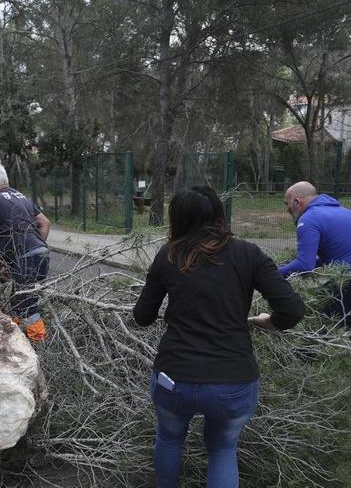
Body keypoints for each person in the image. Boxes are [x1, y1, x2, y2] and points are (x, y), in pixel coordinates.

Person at [134, 186, 304, 488]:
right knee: (222, 449)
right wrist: (270, 321)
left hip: (175, 378)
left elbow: (142, 316)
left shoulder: (168, 255)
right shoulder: (248, 254)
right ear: (218, 215)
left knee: (170, 439)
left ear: (178, 219)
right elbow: (291, 311)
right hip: (233, 382)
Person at [279, 181, 351, 352]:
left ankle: (299, 363)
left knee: (315, 318)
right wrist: (287, 268)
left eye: (287, 204)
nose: (286, 210)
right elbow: (325, 260)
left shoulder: (308, 219)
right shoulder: (340, 212)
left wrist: (273, 274)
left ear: (297, 202)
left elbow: (304, 264)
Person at [0, 164, 52, 342]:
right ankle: (16, 335)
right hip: (42, 253)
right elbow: (45, 223)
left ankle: (40, 341)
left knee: (26, 302)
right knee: (18, 297)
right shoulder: (22, 197)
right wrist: (38, 246)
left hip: (25, 257)